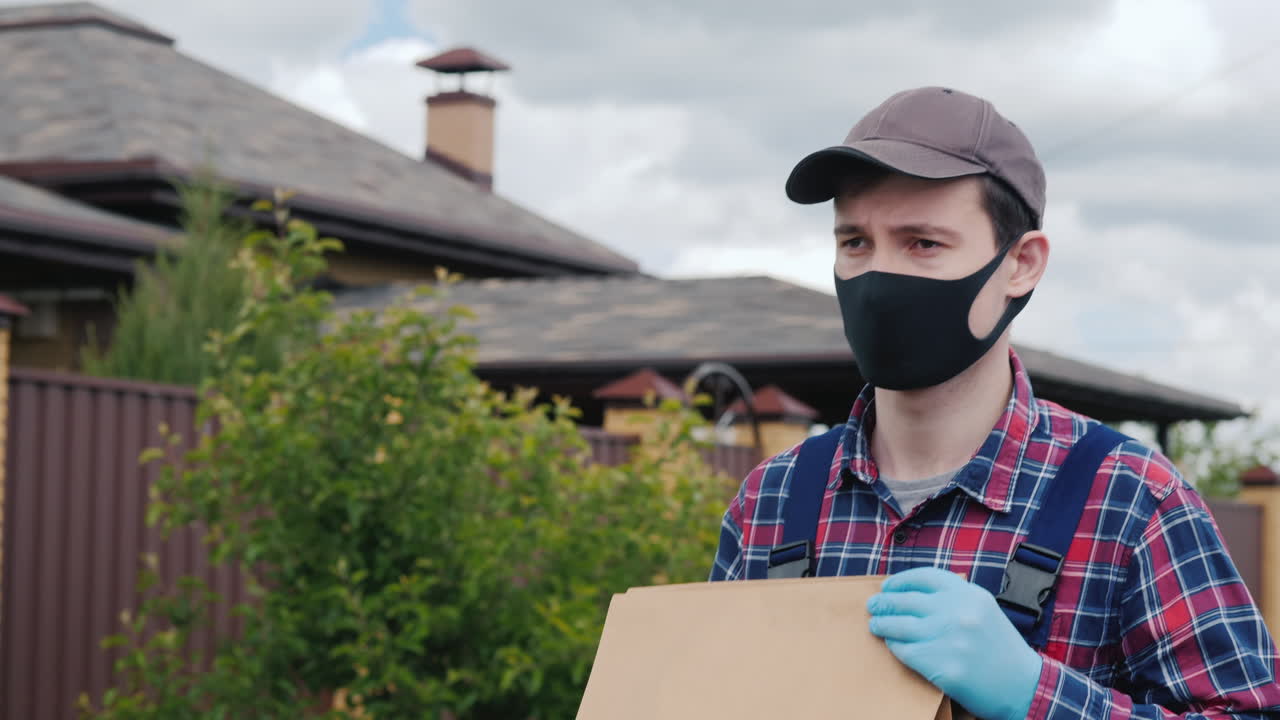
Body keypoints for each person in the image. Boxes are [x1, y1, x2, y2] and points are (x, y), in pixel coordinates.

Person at [709, 87, 1280, 719]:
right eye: (855, 243)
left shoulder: (1130, 499)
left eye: (923, 243)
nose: (877, 277)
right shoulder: (773, 498)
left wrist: (1035, 695)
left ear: (1022, 264)